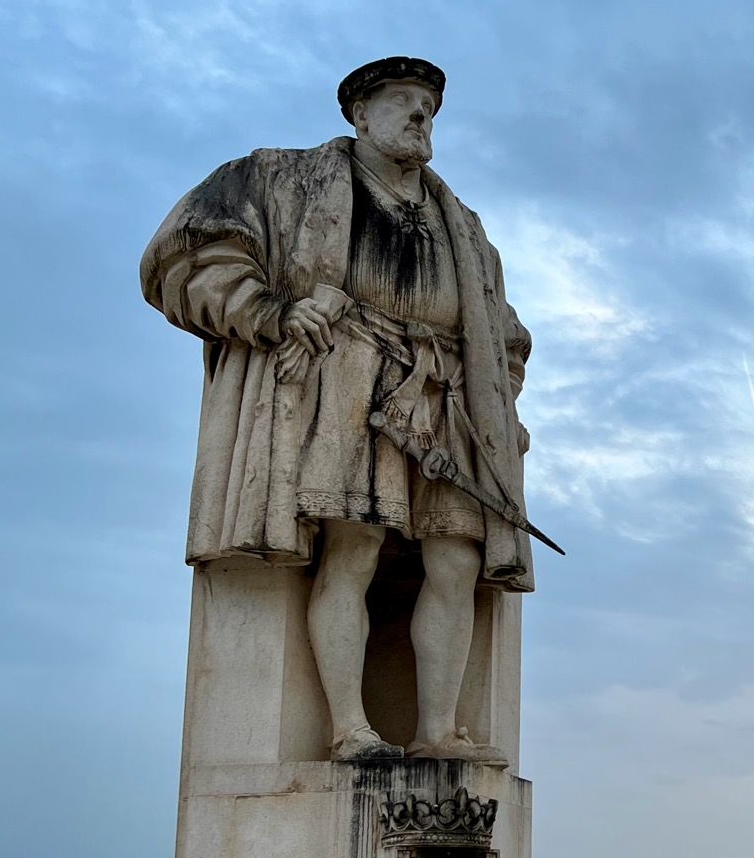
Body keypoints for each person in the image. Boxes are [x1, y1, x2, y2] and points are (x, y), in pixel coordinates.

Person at [141, 56, 533, 764]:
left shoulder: (465, 230)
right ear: (358, 113)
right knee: (354, 545)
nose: (421, 115)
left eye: (430, 106)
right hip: (345, 376)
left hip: (445, 397)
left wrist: (500, 404)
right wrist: (271, 313)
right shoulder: (280, 180)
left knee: (456, 559)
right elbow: (184, 253)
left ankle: (437, 730)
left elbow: (506, 335)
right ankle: (350, 727)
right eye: (404, 101)